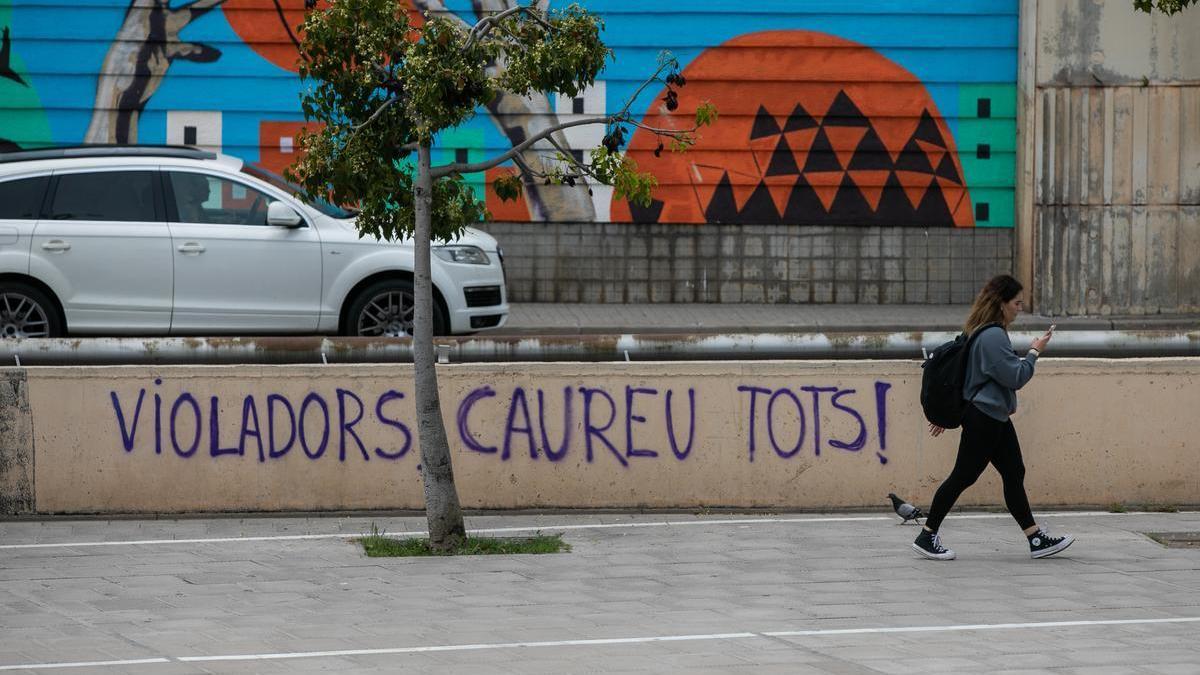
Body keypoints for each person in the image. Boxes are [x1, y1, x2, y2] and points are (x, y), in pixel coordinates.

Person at [912, 274, 1074, 561]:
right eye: (1016, 302)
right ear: (1001, 304)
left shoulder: (983, 331)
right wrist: (1035, 351)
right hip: (984, 418)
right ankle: (927, 535)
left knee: (1014, 472)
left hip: (994, 416)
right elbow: (1016, 376)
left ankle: (1035, 538)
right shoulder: (993, 336)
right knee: (963, 476)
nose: (1019, 308)